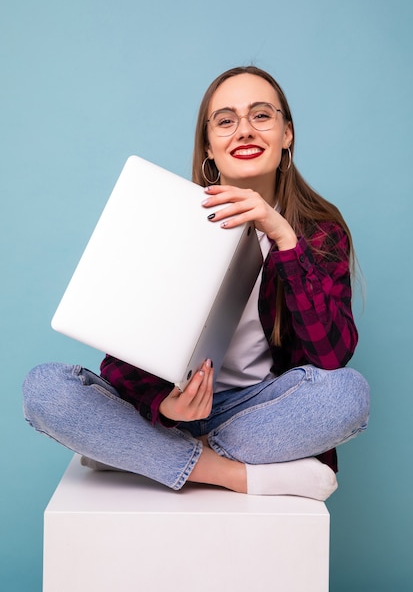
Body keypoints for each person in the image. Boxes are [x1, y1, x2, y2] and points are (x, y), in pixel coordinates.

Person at [23, 66, 370, 500]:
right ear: (209, 144)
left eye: (261, 116)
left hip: (258, 413)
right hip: (172, 410)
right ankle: (224, 472)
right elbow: (123, 356)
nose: (244, 131)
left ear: (287, 134)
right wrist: (164, 407)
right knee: (45, 389)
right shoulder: (174, 218)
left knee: (349, 394)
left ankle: (142, 455)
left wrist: (283, 238)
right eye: (226, 120)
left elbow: (329, 357)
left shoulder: (319, 232)